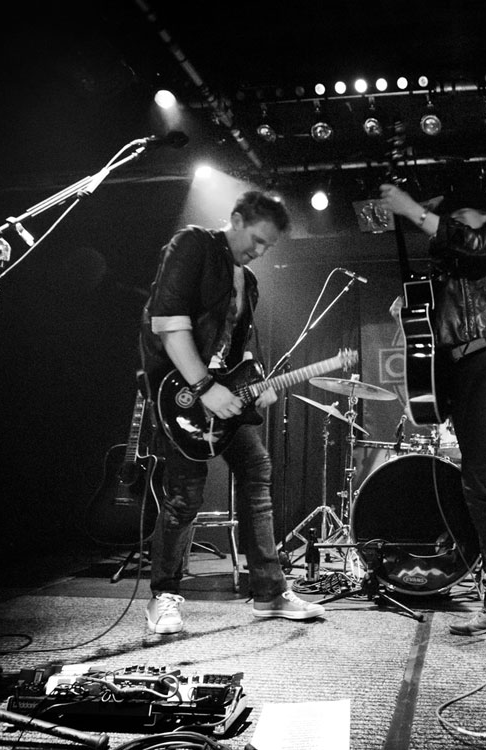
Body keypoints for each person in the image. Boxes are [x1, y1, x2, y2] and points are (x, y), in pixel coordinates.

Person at [379, 183, 486, 672]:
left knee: (483, 480)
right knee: (480, 484)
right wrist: (411, 313)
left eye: (459, 216)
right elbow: (433, 325)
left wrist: (414, 211)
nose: (453, 224)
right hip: (466, 369)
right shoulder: (450, 268)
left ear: (480, 214)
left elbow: (465, 243)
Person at [139, 190, 325, 634]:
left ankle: (269, 592)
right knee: (185, 493)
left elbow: (237, 351)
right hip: (178, 394)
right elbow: (167, 323)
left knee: (256, 468)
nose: (260, 251)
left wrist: (255, 384)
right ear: (236, 220)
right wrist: (204, 387)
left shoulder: (249, 281)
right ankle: (163, 596)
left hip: (218, 395)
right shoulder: (193, 245)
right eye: (257, 239)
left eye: (268, 246)